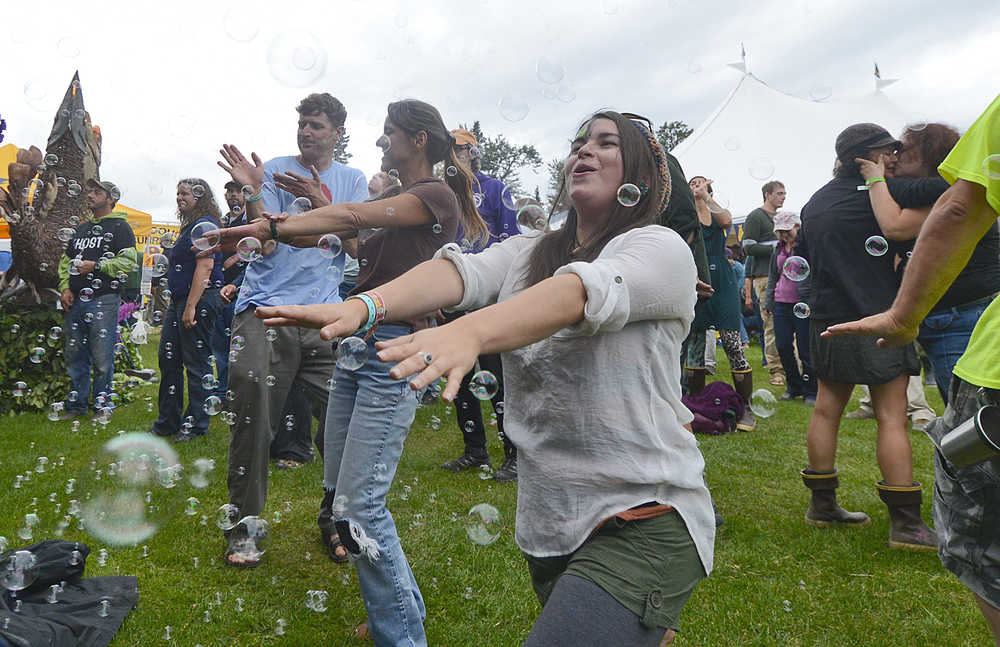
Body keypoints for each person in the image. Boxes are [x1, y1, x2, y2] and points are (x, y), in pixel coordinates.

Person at [252, 109, 713, 647]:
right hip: (552, 523)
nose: (584, 151)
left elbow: (579, 292)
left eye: (607, 144)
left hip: (642, 515)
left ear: (643, 176)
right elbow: (458, 273)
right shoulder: (532, 249)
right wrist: (365, 306)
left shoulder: (660, 248)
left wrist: (467, 333)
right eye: (581, 141)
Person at [219, 98, 489, 644]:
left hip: (396, 345)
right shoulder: (392, 196)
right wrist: (267, 221)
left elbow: (349, 218)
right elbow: (341, 235)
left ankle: (401, 633)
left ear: (418, 140)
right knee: (343, 495)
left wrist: (275, 220)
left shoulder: (432, 195)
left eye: (390, 133)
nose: (381, 140)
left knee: (360, 506)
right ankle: (396, 610)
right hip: (359, 346)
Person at [823, 94, 1000, 645]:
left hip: (968, 323)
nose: (895, 159)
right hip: (952, 320)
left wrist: (903, 314)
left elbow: (903, 225)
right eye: (889, 153)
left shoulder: (944, 192)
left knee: (973, 466)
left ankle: (905, 522)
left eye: (905, 152)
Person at [215, 92, 369, 566]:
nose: (306, 131)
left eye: (316, 125)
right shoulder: (273, 170)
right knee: (253, 419)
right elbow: (261, 246)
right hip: (264, 312)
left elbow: (360, 249)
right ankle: (243, 527)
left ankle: (338, 521)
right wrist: (254, 193)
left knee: (345, 423)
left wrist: (321, 205)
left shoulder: (352, 180)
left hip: (325, 316)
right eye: (302, 123)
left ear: (337, 133)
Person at [795, 123, 936, 550]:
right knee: (892, 417)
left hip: (825, 320)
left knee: (826, 410)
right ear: (864, 158)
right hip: (876, 318)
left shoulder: (815, 202)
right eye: (887, 151)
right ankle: (907, 525)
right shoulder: (879, 200)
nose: (894, 157)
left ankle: (822, 506)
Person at [439, 127, 519, 481]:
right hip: (453, 297)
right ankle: (475, 450)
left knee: (498, 378)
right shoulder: (442, 195)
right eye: (450, 152)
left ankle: (514, 452)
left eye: (460, 150)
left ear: (473, 153)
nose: (454, 157)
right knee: (460, 377)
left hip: (488, 298)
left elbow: (514, 240)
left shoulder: (494, 188)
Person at [149, 179, 224, 441]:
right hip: (182, 299)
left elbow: (205, 267)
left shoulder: (205, 225)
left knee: (195, 363)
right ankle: (168, 421)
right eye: (178, 192)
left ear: (200, 197)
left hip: (200, 299)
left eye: (186, 193)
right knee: (168, 359)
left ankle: (195, 425)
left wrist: (191, 306)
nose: (180, 197)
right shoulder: (188, 227)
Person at [57, 179, 137, 419]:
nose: (90, 194)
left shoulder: (120, 228)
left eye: (97, 191)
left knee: (102, 357)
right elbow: (65, 262)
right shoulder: (81, 230)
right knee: (75, 355)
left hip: (103, 299)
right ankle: (76, 406)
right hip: (76, 300)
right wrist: (65, 288)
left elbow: (129, 261)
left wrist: (96, 266)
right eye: (89, 190)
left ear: (112, 199)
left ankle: (102, 407)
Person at [685, 176, 756, 431]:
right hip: (696, 279)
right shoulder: (686, 214)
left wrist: (707, 197)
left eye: (700, 182)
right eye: (692, 183)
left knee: (731, 341)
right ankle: (694, 403)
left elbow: (726, 220)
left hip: (722, 283)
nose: (695, 186)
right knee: (696, 342)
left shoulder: (716, 212)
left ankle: (747, 408)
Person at [764, 211, 816, 404]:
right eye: (781, 231)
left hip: (802, 302)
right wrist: (768, 302)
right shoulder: (777, 249)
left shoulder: (806, 247)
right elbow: (773, 276)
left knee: (805, 348)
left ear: (797, 227)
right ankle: (794, 386)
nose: (784, 235)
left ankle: (811, 390)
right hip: (781, 303)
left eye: (787, 230)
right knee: (783, 346)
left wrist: (813, 300)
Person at [742, 181, 787, 386]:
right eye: (779, 193)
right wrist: (776, 249)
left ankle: (793, 367)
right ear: (767, 195)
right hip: (763, 276)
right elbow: (748, 247)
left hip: (785, 274)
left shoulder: (783, 218)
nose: (783, 197)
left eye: (784, 193)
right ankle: (776, 370)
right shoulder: (755, 216)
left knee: (788, 322)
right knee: (770, 324)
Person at [211, 180, 249, 399]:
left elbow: (254, 259)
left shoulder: (249, 223)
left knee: (237, 347)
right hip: (220, 290)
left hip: (240, 291)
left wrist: (235, 285)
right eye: (229, 191)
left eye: (238, 191)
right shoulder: (223, 222)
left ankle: (235, 392)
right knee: (220, 346)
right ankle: (223, 390)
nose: (233, 195)